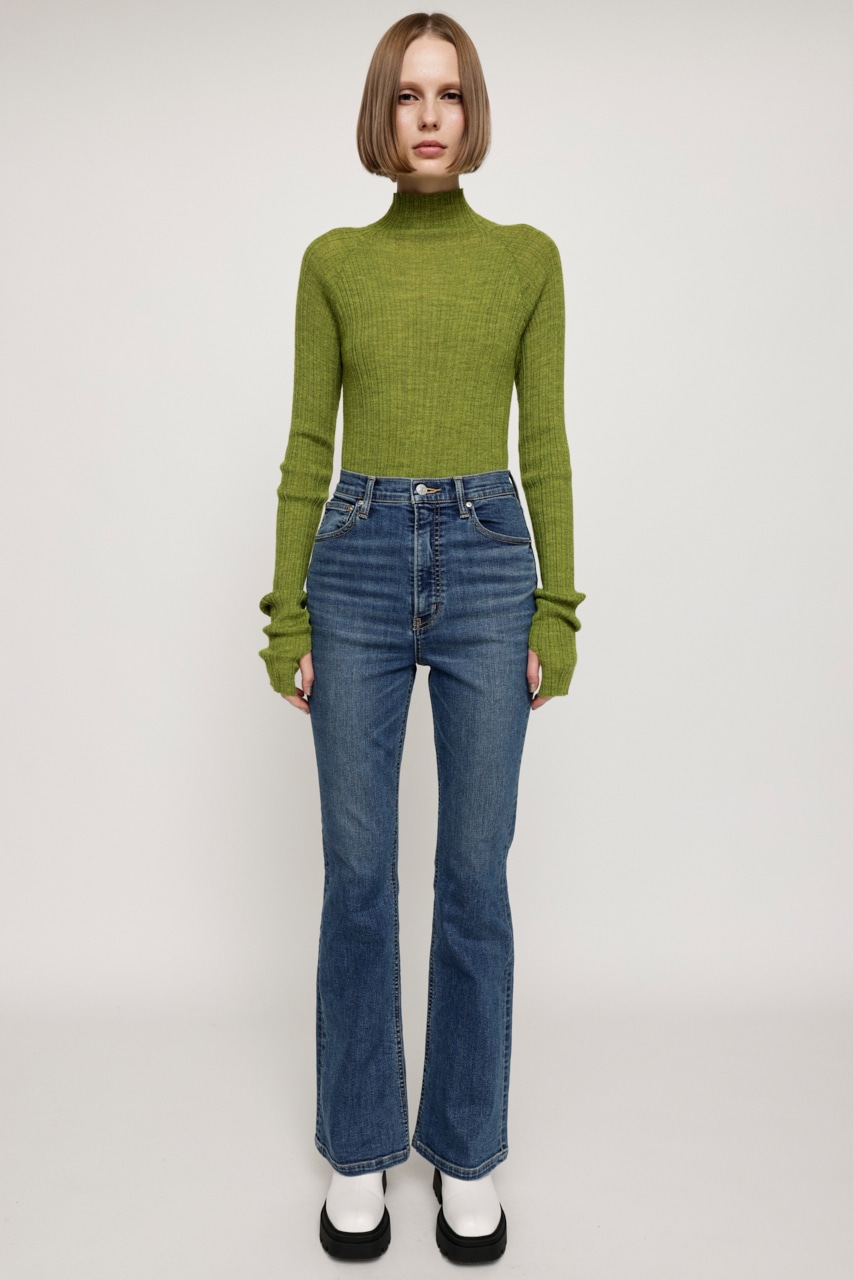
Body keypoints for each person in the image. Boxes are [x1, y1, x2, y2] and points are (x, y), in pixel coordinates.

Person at [258, 12, 585, 1265]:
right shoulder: (333, 261)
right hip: (353, 560)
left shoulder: (527, 259)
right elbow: (308, 443)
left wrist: (557, 606)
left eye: (447, 93)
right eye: (407, 94)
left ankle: (465, 1147)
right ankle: (358, 1146)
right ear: (381, 116)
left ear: (472, 110)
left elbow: (543, 442)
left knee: (472, 873)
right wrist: (287, 610)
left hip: (491, 561)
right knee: (356, 872)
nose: (430, 115)